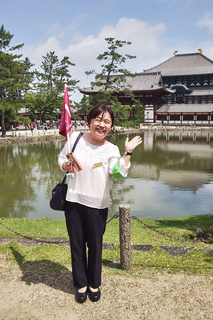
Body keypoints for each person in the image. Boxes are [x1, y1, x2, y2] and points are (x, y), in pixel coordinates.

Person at [57, 105, 142, 303]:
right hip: (74, 200)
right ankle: (81, 284)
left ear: (111, 126)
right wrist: (65, 165)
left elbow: (118, 172)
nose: (101, 125)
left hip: (97, 204)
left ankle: (94, 283)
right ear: (89, 121)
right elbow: (62, 158)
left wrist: (127, 153)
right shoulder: (75, 139)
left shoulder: (111, 149)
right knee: (77, 244)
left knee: (95, 245)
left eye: (107, 122)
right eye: (98, 119)